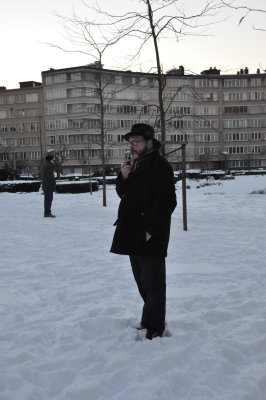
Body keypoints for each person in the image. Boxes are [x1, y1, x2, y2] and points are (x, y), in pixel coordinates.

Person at [110, 123, 177, 340]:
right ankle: (149, 320)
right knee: (142, 282)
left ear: (149, 142)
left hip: (149, 234)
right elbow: (125, 194)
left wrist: (151, 230)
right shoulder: (136, 164)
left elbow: (167, 202)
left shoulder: (160, 166)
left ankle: (155, 327)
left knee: (154, 284)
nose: (132, 146)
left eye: (136, 142)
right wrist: (124, 177)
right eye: (130, 142)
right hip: (132, 232)